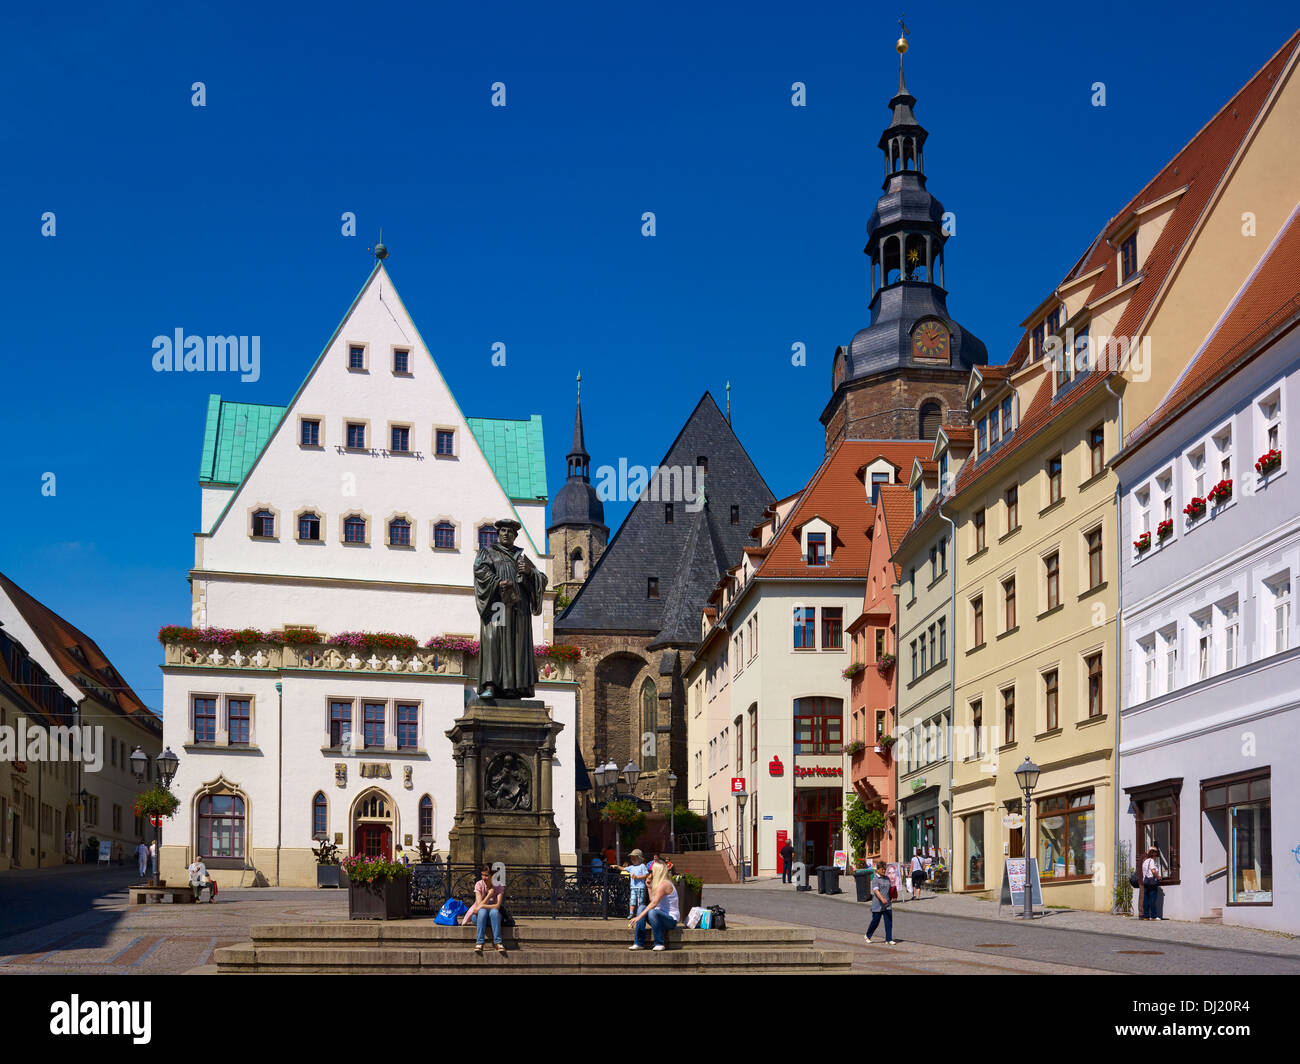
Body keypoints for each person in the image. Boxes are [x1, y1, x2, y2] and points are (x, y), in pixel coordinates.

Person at [629, 861, 679, 951]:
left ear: (657, 871)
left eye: (652, 871)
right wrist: (649, 887)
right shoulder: (659, 884)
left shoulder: (664, 884)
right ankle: (638, 943)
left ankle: (659, 943)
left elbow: (654, 903)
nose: (650, 873)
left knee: (652, 911)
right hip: (658, 917)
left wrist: (638, 917)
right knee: (641, 907)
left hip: (671, 920)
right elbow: (653, 900)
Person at [462, 864, 506, 952]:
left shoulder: (499, 886)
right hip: (478, 918)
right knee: (482, 911)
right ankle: (479, 943)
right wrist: (489, 895)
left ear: (492, 875)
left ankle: (498, 943)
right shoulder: (479, 884)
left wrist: (482, 905)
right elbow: (479, 906)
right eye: (482, 875)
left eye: (486, 875)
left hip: (494, 918)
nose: (483, 877)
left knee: (494, 912)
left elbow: (497, 906)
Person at [612, 849, 650, 918]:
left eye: (634, 858)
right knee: (632, 900)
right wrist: (617, 866)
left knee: (640, 902)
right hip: (633, 887)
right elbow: (623, 869)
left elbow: (646, 875)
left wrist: (637, 877)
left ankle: (640, 913)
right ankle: (631, 913)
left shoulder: (642, 866)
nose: (632, 859)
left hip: (640, 887)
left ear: (639, 858)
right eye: (632, 858)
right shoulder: (631, 867)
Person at [863, 864, 896, 944]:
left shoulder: (887, 878)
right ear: (877, 869)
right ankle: (867, 935)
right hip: (878, 904)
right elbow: (876, 891)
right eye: (882, 869)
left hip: (887, 904)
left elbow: (890, 889)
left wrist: (893, 896)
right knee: (875, 921)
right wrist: (882, 899)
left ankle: (889, 939)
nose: (884, 871)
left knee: (888, 922)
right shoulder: (875, 879)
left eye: (885, 869)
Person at [1140, 846, 1164, 920]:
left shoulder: (1145, 861)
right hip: (1152, 882)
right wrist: (1158, 877)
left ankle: (1146, 916)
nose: (1156, 856)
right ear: (1154, 855)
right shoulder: (1152, 861)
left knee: (1146, 899)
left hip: (1146, 882)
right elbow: (1153, 871)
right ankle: (1153, 916)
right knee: (1152, 899)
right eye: (1156, 855)